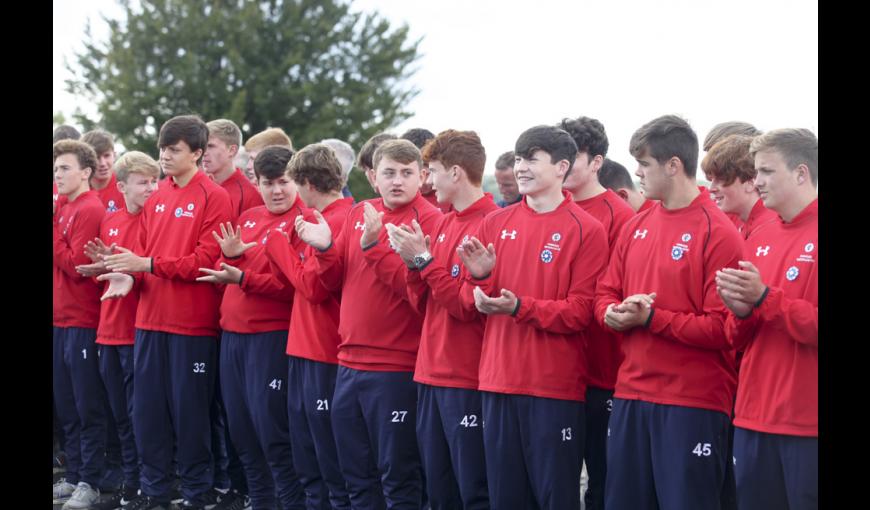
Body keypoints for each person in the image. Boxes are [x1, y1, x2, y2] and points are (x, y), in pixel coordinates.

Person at [593, 115, 745, 510]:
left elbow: (724, 329)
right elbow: (605, 291)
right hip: (629, 395)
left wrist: (651, 319)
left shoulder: (718, 231)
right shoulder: (637, 225)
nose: (638, 173)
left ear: (673, 166)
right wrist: (611, 312)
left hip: (691, 403)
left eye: (645, 165)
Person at [457, 125, 608, 509]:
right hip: (497, 382)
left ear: (561, 167)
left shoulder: (586, 229)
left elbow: (580, 312)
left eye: (531, 159)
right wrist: (479, 277)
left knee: (555, 499)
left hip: (552, 389)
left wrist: (519, 307)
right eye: (519, 158)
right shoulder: (495, 223)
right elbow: (471, 301)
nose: (521, 167)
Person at [293, 139, 441, 508]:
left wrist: (375, 248)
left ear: (423, 177)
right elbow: (333, 283)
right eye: (389, 172)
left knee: (399, 475)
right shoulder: (361, 211)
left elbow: (419, 296)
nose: (397, 181)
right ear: (373, 177)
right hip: (348, 364)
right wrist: (326, 249)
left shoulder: (431, 220)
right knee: (355, 473)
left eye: (407, 173)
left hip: (396, 367)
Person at [99, 114, 233, 509]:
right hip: (148, 322)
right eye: (163, 149)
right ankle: (155, 492)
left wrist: (148, 266)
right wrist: (127, 277)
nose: (165, 156)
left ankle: (196, 493)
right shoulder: (156, 198)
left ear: (196, 152)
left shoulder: (214, 197)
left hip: (192, 327)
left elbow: (204, 263)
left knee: (191, 417)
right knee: (148, 415)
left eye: (174, 150)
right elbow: (141, 258)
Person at [386, 129, 497, 509]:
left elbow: (467, 306)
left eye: (431, 171)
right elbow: (422, 302)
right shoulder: (445, 222)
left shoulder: (492, 223)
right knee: (438, 488)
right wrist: (414, 264)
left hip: (465, 376)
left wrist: (423, 261)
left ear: (455, 172)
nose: (428, 181)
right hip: (429, 372)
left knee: (473, 488)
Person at [197, 145, 308, 510]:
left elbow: (294, 287)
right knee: (242, 432)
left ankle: (289, 503)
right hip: (233, 337)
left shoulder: (304, 221)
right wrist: (230, 259)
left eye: (283, 182)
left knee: (273, 433)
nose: (277, 191)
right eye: (268, 183)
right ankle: (260, 501)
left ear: (297, 182)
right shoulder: (249, 217)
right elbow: (217, 272)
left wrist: (243, 276)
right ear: (256, 183)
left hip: (271, 338)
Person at [715, 128, 818, 510]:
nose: (756, 182)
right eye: (755, 172)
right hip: (753, 418)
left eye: (766, 172)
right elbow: (734, 335)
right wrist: (741, 312)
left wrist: (764, 299)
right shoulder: (758, 236)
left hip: (806, 425)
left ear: (801, 173)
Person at [264, 143, 355, 508]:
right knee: (308, 449)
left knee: (326, 452)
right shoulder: (324, 216)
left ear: (306, 183)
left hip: (323, 349)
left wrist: (277, 246)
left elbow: (313, 288)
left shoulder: (334, 219)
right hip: (305, 346)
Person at [74, 151, 160, 510]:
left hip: (137, 331)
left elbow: (156, 271)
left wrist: (131, 272)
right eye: (143, 182)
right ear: (122, 186)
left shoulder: (157, 220)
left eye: (154, 181)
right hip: (107, 330)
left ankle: (148, 483)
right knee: (120, 416)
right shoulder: (110, 220)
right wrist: (102, 268)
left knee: (143, 415)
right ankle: (130, 478)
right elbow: (109, 274)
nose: (151, 189)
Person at [559, 115, 635, 510]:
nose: (564, 164)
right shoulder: (540, 210)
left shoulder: (620, 217)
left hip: (604, 374)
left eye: (574, 157)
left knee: (603, 484)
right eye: (559, 155)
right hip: (555, 375)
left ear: (596, 162)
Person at [53, 139, 109, 509]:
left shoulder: (88, 208)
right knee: (67, 405)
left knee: (88, 406)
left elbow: (76, 266)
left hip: (83, 321)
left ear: (86, 172)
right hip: (61, 320)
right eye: (56, 169)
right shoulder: (65, 205)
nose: (58, 175)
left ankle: (91, 479)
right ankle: (73, 474)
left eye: (65, 168)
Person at [204, 119, 265, 221]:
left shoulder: (249, 196)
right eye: (202, 146)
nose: (204, 152)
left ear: (232, 150)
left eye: (210, 146)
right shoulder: (198, 186)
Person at [402, 128, 452, 214]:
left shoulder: (450, 196)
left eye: (427, 164)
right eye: (416, 166)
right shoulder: (395, 198)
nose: (424, 175)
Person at [81, 130, 126, 212]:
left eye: (107, 155)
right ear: (85, 161)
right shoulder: (77, 190)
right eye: (97, 157)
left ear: (114, 156)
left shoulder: (127, 187)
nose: (102, 163)